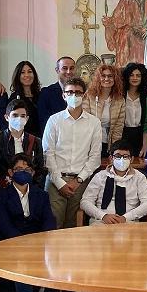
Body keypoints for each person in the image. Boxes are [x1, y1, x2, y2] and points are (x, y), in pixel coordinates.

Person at [81, 141, 147, 292]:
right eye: (118, 156)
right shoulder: (100, 176)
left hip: (128, 223)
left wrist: (126, 217)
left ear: (132, 158)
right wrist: (103, 216)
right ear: (110, 158)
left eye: (126, 156)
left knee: (124, 251)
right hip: (102, 222)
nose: (122, 159)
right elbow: (85, 202)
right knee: (105, 251)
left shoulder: (139, 177)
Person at [0, 153, 57, 292]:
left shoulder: (41, 195)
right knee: (22, 261)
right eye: (19, 169)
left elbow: (49, 221)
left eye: (27, 169)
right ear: (10, 172)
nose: (23, 172)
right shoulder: (2, 196)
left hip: (38, 242)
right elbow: (4, 225)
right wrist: (23, 243)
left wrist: (42, 239)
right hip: (12, 242)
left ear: (33, 172)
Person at [42, 77, 102, 229]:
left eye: (78, 92)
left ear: (84, 95)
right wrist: (60, 182)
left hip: (81, 181)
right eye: (70, 92)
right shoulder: (54, 120)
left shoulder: (94, 123)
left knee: (75, 227)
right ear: (63, 95)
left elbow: (95, 157)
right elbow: (48, 153)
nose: (74, 96)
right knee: (53, 224)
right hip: (56, 180)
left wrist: (79, 180)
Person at [0, 98, 46, 188]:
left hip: (29, 189)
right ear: (6, 117)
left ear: (27, 118)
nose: (19, 119)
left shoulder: (35, 141)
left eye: (23, 116)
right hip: (4, 189)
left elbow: (40, 169)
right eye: (15, 115)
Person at [82, 64, 125, 157]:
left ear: (115, 79)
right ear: (98, 78)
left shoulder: (120, 99)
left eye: (110, 76)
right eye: (103, 76)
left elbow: (118, 127)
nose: (106, 79)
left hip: (108, 142)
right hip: (90, 142)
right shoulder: (89, 96)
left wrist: (114, 149)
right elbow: (85, 122)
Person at [37, 56, 75, 135]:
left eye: (71, 68)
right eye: (64, 68)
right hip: (55, 141)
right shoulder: (46, 93)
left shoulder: (82, 92)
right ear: (57, 70)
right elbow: (44, 122)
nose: (68, 72)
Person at [121, 62, 147, 156]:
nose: (135, 78)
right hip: (123, 135)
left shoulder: (146, 97)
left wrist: (145, 144)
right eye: (131, 75)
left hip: (140, 136)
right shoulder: (120, 95)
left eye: (138, 75)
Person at [9, 60, 42, 137]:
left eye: (30, 72)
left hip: (42, 139)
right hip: (24, 140)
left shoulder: (41, 95)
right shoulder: (14, 98)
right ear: (18, 76)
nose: (27, 75)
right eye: (22, 72)